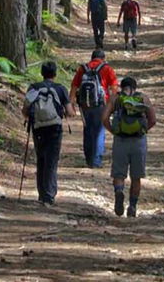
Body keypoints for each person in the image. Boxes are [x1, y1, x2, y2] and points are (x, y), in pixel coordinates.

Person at [22, 62, 75, 205]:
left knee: (41, 159)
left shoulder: (34, 88)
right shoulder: (60, 89)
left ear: (42, 73)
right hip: (54, 128)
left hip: (38, 127)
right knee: (51, 161)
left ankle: (41, 193)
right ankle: (49, 195)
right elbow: (70, 112)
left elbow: (25, 110)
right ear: (55, 74)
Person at [102, 76, 156, 218]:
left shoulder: (115, 98)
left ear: (121, 87)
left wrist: (114, 131)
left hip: (121, 140)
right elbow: (153, 120)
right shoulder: (143, 98)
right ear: (135, 87)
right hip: (139, 141)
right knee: (136, 177)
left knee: (119, 174)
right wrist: (143, 130)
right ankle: (132, 206)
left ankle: (119, 191)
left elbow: (104, 118)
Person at [70, 49, 119, 168]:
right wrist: (114, 105)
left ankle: (88, 158)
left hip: (84, 104)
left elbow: (74, 86)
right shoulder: (107, 69)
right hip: (100, 104)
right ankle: (96, 161)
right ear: (103, 58)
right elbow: (114, 89)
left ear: (92, 58)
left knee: (87, 130)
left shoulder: (83, 68)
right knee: (99, 131)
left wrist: (71, 103)